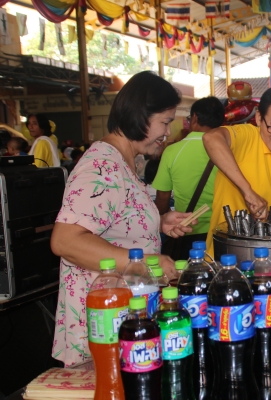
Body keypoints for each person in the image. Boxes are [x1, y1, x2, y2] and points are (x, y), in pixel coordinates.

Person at [50, 71, 196, 367]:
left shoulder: (124, 161)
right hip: (102, 324)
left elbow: (113, 219)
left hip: (121, 320)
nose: (168, 132)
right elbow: (66, 240)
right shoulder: (102, 166)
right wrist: (149, 263)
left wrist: (159, 221)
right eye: (165, 122)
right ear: (141, 115)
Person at [204, 85, 271, 256]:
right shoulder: (248, 136)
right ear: (259, 118)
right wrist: (248, 192)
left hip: (264, 256)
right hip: (226, 255)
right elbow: (211, 138)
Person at [153, 96, 225, 260]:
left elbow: (162, 199)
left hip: (185, 231)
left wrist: (163, 221)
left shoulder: (172, 151)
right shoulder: (230, 149)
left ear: (195, 118)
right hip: (223, 232)